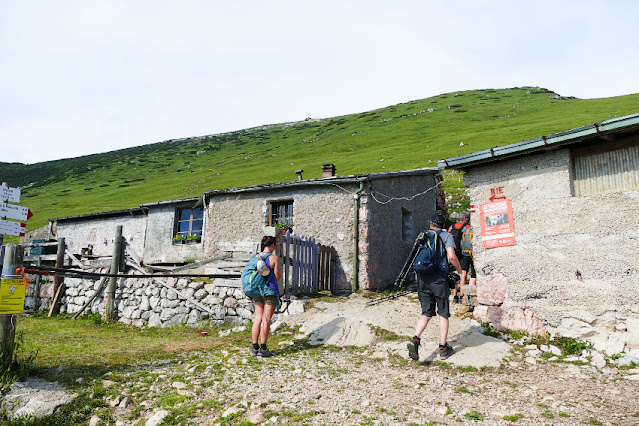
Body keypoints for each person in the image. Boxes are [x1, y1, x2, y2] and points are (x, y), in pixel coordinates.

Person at [407, 213, 462, 361]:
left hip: (422, 278)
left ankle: (415, 339)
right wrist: (460, 271)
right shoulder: (446, 236)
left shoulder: (423, 235)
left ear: (431, 224)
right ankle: (443, 348)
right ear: (443, 225)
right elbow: (451, 256)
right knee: (443, 313)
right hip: (438, 279)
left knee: (426, 313)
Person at [250, 236, 281, 357]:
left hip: (257, 291)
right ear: (272, 245)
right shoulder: (274, 258)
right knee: (266, 319)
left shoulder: (255, 258)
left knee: (257, 318)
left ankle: (254, 348)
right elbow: (277, 277)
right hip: (269, 291)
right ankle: (263, 349)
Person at [448, 212, 476, 303]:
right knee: (463, 273)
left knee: (455, 273)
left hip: (454, 252)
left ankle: (455, 295)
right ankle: (462, 295)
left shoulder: (451, 227)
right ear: (466, 219)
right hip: (464, 253)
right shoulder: (467, 227)